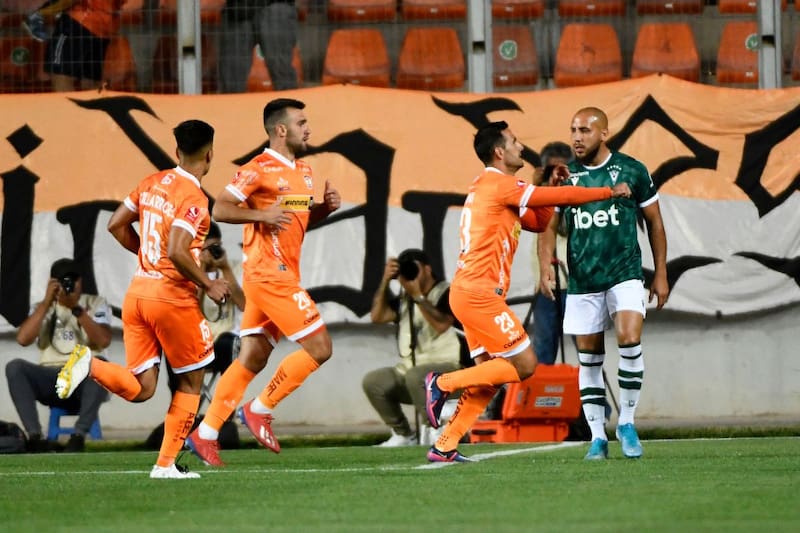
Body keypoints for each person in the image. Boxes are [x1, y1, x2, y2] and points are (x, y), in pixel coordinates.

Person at [422, 120, 632, 463]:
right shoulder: (500, 184)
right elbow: (562, 198)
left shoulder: (492, 186)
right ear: (500, 152)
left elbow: (537, 221)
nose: (522, 147)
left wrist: (550, 184)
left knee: (489, 376)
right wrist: (609, 191)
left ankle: (444, 444)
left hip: (469, 293)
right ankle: (442, 384)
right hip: (479, 295)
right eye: (515, 141)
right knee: (524, 365)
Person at [54, 119, 231, 479]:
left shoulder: (151, 183)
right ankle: (165, 465)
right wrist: (208, 284)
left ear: (177, 151)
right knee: (192, 383)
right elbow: (178, 250)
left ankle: (90, 364)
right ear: (210, 154)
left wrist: (145, 256)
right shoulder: (194, 198)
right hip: (170, 298)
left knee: (142, 389)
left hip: (138, 295)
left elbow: (116, 224)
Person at [186, 97, 341, 467]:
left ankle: (205, 434)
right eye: (302, 122)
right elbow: (220, 208)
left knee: (251, 357)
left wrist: (322, 209)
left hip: (277, 276)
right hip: (270, 275)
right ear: (281, 129)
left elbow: (293, 222)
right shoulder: (257, 169)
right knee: (320, 348)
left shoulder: (304, 171)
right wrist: (260, 214)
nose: (309, 129)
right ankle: (259, 409)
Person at [538, 107, 669, 461]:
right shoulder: (567, 177)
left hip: (625, 273)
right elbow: (548, 224)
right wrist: (544, 266)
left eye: (584, 130)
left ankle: (626, 422)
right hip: (583, 280)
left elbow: (655, 223)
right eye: (573, 129)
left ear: (604, 133)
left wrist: (660, 273)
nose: (577, 137)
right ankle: (598, 438)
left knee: (629, 339)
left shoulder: (632, 169)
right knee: (589, 359)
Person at [6, 258, 111, 453]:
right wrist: (47, 303)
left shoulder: (95, 303)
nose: (68, 285)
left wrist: (77, 309)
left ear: (81, 281)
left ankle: (78, 437)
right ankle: (35, 437)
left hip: (83, 381)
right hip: (50, 380)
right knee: (15, 366)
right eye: (63, 280)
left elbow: (103, 340)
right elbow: (23, 339)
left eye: (72, 280)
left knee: (101, 365)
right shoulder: (42, 307)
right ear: (53, 283)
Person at [365, 249, 463, 447]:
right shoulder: (405, 299)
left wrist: (418, 296)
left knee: (417, 376)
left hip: (452, 369)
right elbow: (377, 317)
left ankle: (437, 431)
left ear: (428, 269)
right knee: (374, 381)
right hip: (415, 373)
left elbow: (442, 324)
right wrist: (385, 282)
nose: (411, 275)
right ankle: (403, 435)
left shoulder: (448, 292)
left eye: (414, 269)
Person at [165, 221, 245, 398]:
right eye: (207, 248)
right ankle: (180, 407)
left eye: (216, 247)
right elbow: (190, 306)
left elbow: (242, 304)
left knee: (228, 343)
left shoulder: (235, 268)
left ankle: (225, 412)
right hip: (196, 342)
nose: (212, 253)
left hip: (226, 341)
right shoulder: (188, 273)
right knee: (171, 344)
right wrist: (200, 271)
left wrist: (225, 269)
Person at [532, 141, 575, 365]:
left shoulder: (577, 194)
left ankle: (596, 400)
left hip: (576, 285)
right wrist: (537, 189)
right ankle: (537, 399)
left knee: (589, 353)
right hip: (546, 286)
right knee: (543, 352)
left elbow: (564, 227)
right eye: (552, 170)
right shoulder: (535, 195)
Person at [218, 0, 299, 93]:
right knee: (231, 80)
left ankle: (288, 105)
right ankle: (231, 106)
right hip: (238, 9)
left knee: (282, 73)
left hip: (275, 6)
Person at [42, 0, 123, 91]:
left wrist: (41, 14)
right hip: (103, 27)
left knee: (61, 74)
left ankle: (66, 104)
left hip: (78, 21)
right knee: (91, 82)